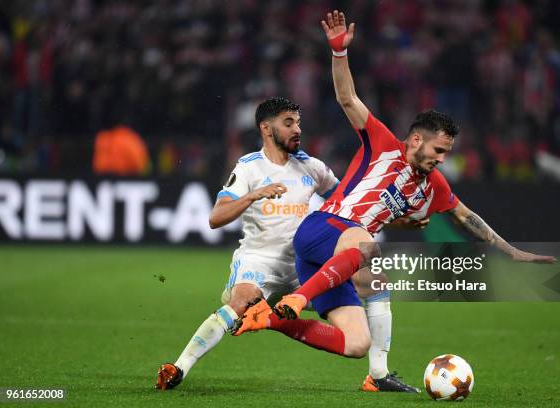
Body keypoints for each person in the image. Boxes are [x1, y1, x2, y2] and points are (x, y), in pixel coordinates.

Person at [235, 10, 556, 391]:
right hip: (323, 229)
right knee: (369, 246)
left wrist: (512, 251)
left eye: (447, 153)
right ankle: (298, 299)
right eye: (438, 150)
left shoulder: (434, 185)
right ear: (417, 139)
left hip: (341, 257)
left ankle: (291, 329)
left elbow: (467, 217)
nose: (441, 159)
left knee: (357, 339)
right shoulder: (383, 143)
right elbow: (346, 96)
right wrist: (339, 53)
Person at [156, 97, 422, 392]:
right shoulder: (248, 168)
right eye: (289, 123)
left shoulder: (312, 167)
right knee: (241, 301)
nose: (297, 129)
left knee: (362, 328)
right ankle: (178, 367)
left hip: (303, 266)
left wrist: (399, 222)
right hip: (259, 261)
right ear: (266, 129)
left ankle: (376, 374)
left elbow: (351, 206)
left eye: (298, 122)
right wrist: (253, 196)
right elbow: (216, 218)